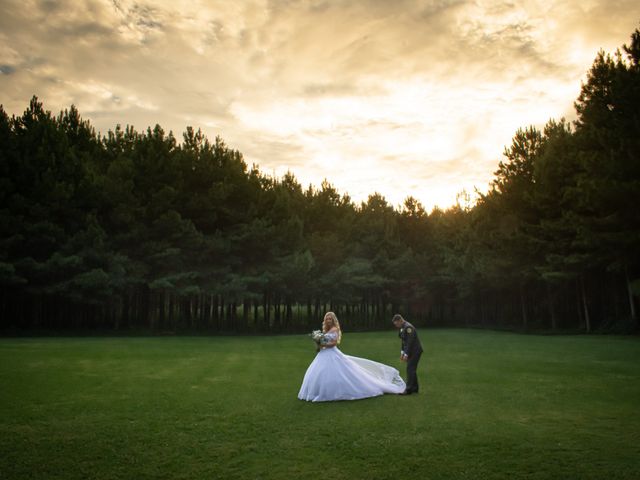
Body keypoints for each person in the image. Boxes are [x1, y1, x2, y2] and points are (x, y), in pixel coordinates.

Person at [298, 312, 406, 402]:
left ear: (333, 320)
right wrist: (319, 345)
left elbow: (334, 343)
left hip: (332, 353)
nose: (328, 320)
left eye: (330, 319)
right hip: (324, 353)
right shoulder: (326, 330)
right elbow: (324, 342)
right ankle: (318, 391)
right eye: (327, 319)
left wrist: (323, 344)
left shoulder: (335, 329)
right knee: (319, 373)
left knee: (342, 372)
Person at [392, 313, 423, 395]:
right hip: (410, 351)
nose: (396, 326)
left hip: (415, 351)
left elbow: (410, 342)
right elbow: (403, 341)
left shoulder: (408, 327)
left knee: (410, 369)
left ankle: (408, 390)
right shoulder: (402, 327)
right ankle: (415, 388)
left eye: (396, 323)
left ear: (400, 320)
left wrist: (406, 354)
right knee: (412, 369)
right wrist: (402, 352)